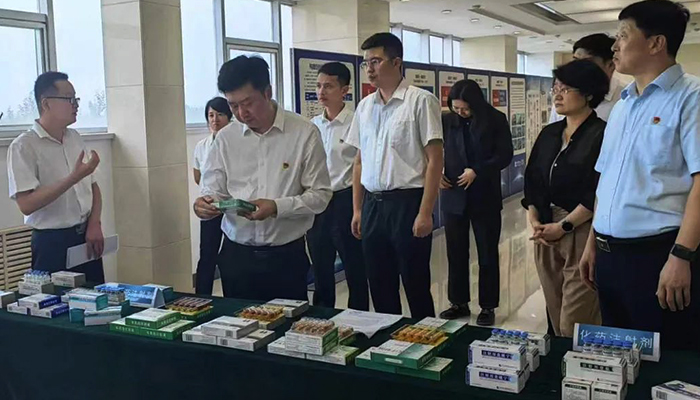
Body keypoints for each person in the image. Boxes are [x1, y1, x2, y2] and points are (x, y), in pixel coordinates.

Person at [579, 0, 700, 350]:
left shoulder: (690, 98)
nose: (614, 46)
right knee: (618, 356)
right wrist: (592, 242)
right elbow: (606, 180)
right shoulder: (623, 106)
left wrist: (681, 256)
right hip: (608, 256)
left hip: (658, 256)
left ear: (656, 43)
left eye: (623, 35)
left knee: (666, 359)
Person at [193, 56, 332, 301]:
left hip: (286, 258)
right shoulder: (226, 138)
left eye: (247, 103)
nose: (241, 113)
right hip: (237, 257)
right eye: (233, 106)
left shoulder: (304, 133)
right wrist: (204, 204)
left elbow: (320, 195)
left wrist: (277, 207)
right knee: (236, 321)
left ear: (267, 92)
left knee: (289, 324)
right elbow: (213, 190)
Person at [345, 32, 443, 319]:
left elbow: (435, 160)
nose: (369, 69)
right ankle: (387, 338)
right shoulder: (364, 107)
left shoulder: (420, 101)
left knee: (415, 283)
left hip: (407, 203)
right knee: (379, 284)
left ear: (396, 62)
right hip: (373, 205)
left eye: (375, 61)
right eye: (366, 63)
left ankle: (425, 338)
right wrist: (358, 209)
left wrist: (425, 213)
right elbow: (359, 162)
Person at [523, 59, 609, 337]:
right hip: (544, 228)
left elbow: (597, 189)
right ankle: (560, 364)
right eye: (555, 88)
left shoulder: (602, 134)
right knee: (555, 308)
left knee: (575, 320)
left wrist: (564, 226)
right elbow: (532, 178)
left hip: (581, 228)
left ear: (588, 93)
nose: (557, 95)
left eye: (566, 89)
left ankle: (583, 363)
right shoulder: (550, 133)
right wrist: (534, 217)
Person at [7, 72, 105, 283]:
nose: (75, 105)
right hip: (51, 243)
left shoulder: (75, 138)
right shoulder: (23, 146)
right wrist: (73, 178)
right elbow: (26, 204)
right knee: (58, 301)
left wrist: (95, 222)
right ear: (46, 103)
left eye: (76, 98)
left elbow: (93, 186)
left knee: (97, 298)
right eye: (69, 98)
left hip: (87, 236)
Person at [438, 79, 513, 326]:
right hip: (453, 194)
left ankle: (488, 306)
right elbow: (435, 152)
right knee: (456, 252)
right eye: (456, 108)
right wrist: (437, 173)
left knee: (487, 253)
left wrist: (478, 170)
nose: (460, 112)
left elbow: (504, 155)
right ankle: (458, 302)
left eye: (465, 109)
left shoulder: (495, 119)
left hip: (484, 195)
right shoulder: (446, 120)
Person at [308, 62, 369, 310]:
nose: (321, 92)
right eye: (319, 86)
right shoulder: (312, 125)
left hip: (346, 200)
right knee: (321, 267)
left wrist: (358, 209)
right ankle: (322, 317)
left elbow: (363, 165)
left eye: (329, 86)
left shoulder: (357, 122)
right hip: (317, 202)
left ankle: (359, 318)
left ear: (344, 90)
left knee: (355, 267)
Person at [192, 97, 232, 295]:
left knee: (229, 257)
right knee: (207, 255)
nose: (215, 119)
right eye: (211, 115)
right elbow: (197, 175)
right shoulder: (202, 145)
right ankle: (202, 297)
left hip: (231, 207)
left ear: (229, 116)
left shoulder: (236, 142)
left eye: (220, 114)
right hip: (210, 207)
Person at [549, 34, 625, 122]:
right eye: (576, 61)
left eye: (588, 62)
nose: (579, 68)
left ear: (610, 65)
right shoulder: (564, 96)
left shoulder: (624, 99)